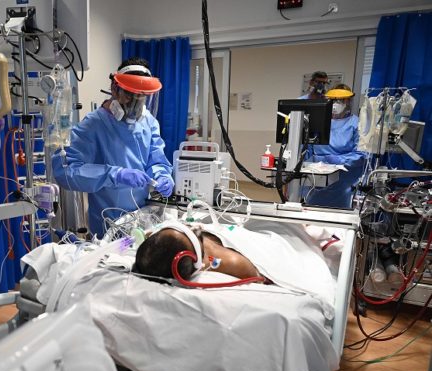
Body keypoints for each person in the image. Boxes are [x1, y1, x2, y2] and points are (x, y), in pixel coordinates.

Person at [52, 57, 174, 237]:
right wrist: (114, 174)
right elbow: (64, 171)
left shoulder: (148, 122)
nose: (135, 105)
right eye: (129, 96)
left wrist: (163, 175)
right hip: (108, 224)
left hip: (141, 219)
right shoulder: (93, 124)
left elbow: (157, 160)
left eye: (141, 98)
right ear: (114, 89)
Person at [133, 219, 337, 311]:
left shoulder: (172, 242)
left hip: (242, 230)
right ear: (200, 263)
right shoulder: (231, 262)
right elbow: (259, 272)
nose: (193, 228)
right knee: (290, 228)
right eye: (192, 232)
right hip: (274, 241)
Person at [303, 84, 366, 208]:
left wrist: (340, 160)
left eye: (341, 100)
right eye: (333, 100)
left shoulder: (356, 124)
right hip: (317, 175)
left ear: (348, 101)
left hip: (345, 177)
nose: (336, 104)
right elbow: (307, 148)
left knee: (340, 212)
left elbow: (362, 154)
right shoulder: (319, 121)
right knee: (312, 210)